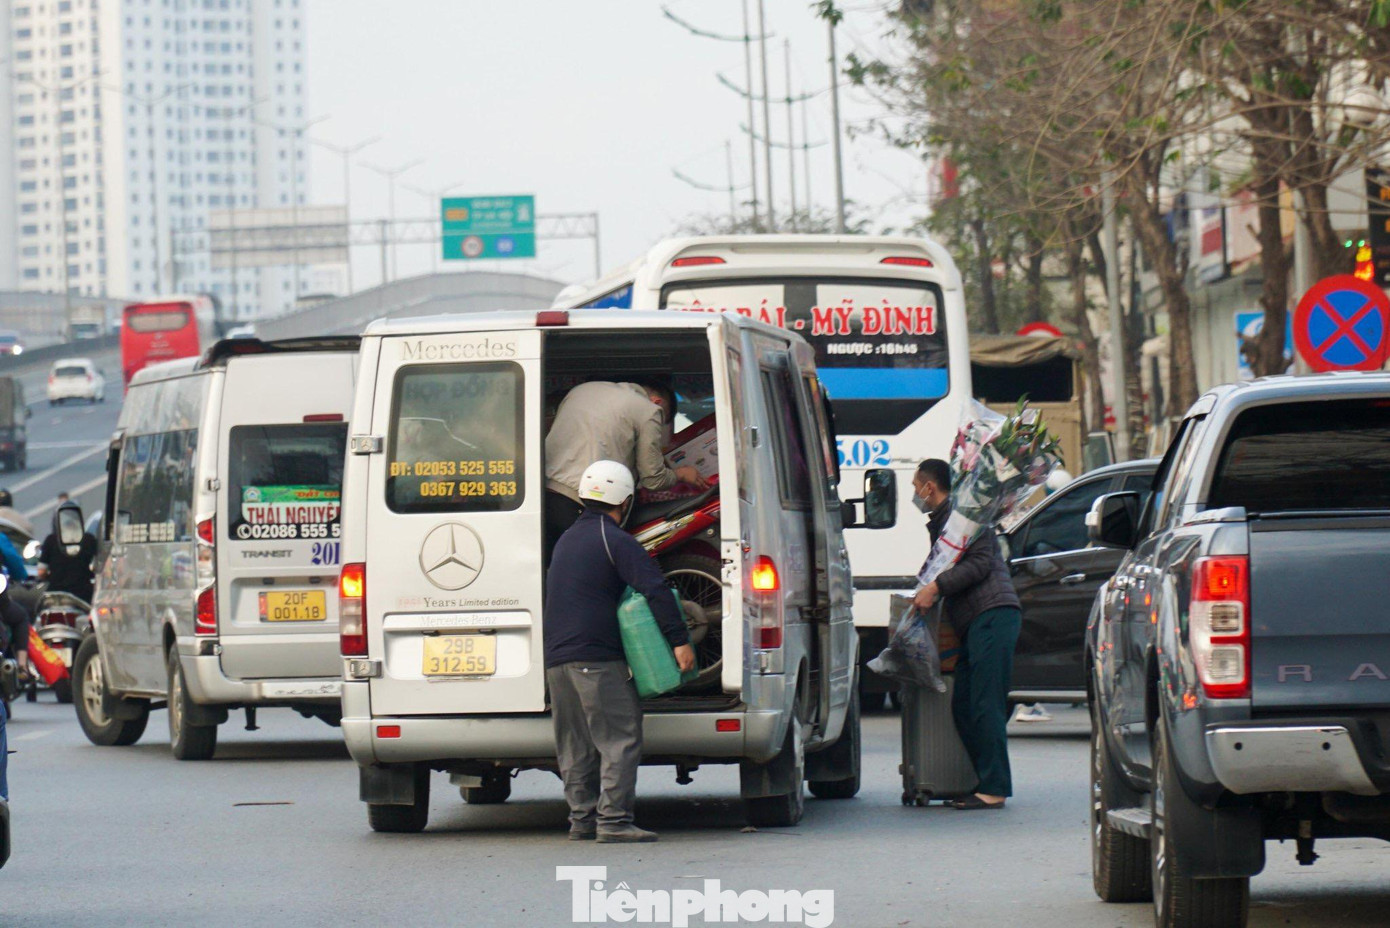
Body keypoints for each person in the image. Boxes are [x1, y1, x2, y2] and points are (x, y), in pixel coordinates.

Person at [544, 460, 694, 843]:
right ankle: (613, 821)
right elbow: (655, 589)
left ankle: (582, 820)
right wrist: (679, 641)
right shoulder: (615, 539)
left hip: (558, 663)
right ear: (625, 502)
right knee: (619, 737)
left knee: (575, 744)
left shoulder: (567, 539)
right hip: (596, 659)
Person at [911, 458, 1023, 811]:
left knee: (985, 702)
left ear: (930, 486)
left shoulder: (968, 517)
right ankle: (983, 781)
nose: (916, 495)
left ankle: (995, 787)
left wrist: (936, 587)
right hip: (975, 621)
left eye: (917, 487)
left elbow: (979, 564)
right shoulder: (945, 521)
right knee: (964, 704)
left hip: (993, 614)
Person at [544, 380, 706, 555]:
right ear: (657, 402)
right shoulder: (648, 409)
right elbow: (653, 480)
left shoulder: (581, 390)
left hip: (546, 495)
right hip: (583, 502)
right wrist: (681, 474)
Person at [37, 501, 97, 605]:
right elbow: (98, 566)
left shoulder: (50, 540)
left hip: (56, 595)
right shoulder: (89, 540)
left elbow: (41, 572)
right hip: (83, 594)